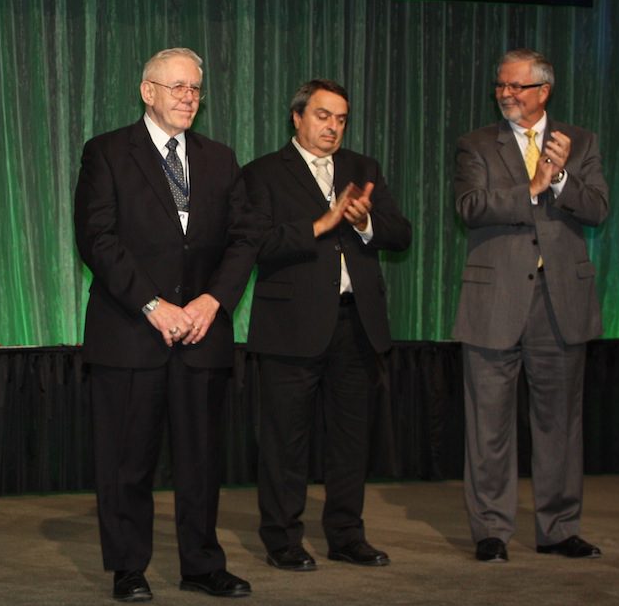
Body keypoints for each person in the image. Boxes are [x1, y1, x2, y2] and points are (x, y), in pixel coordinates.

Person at [74, 48, 256, 602]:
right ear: (147, 91)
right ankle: (128, 568)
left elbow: (244, 238)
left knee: (201, 462)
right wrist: (153, 305)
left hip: (201, 334)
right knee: (127, 462)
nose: (188, 97)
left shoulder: (220, 158)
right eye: (177, 87)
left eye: (195, 88)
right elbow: (97, 239)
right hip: (131, 331)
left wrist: (212, 302)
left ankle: (201, 565)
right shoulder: (107, 152)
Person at [243, 79, 411, 573]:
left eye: (341, 119)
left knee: (350, 440)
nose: (333, 127)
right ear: (297, 117)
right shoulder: (262, 173)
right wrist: (322, 223)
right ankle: (282, 539)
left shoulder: (363, 168)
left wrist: (363, 223)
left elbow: (401, 234)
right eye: (323, 116)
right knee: (285, 441)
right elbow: (255, 244)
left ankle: (346, 536)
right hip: (290, 326)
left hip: (356, 324)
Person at [454, 49, 609, 563]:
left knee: (559, 423)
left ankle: (559, 529)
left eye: (516, 86)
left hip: (560, 300)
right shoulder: (477, 144)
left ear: (544, 90)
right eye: (501, 85)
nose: (506, 94)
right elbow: (470, 207)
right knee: (488, 424)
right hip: (494, 299)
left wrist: (561, 179)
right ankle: (491, 531)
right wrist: (533, 187)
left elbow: (598, 208)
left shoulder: (579, 142)